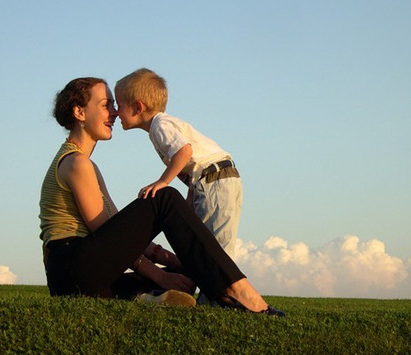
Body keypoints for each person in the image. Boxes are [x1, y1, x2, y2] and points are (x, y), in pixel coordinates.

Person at [39, 76, 283, 316]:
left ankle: (146, 297)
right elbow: (102, 229)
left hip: (76, 278)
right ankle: (237, 289)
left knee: (170, 281)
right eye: (106, 105)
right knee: (163, 198)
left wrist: (173, 262)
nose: (114, 112)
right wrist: (161, 273)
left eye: (115, 105)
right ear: (79, 113)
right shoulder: (76, 163)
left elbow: (117, 233)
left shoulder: (85, 164)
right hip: (72, 266)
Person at [114, 68, 242, 260]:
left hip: (215, 180)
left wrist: (162, 182)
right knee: (206, 241)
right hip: (212, 179)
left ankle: (224, 288)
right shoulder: (160, 127)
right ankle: (205, 285)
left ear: (138, 107)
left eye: (119, 105)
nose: (116, 112)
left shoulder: (160, 125)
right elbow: (191, 164)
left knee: (215, 245)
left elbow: (184, 152)